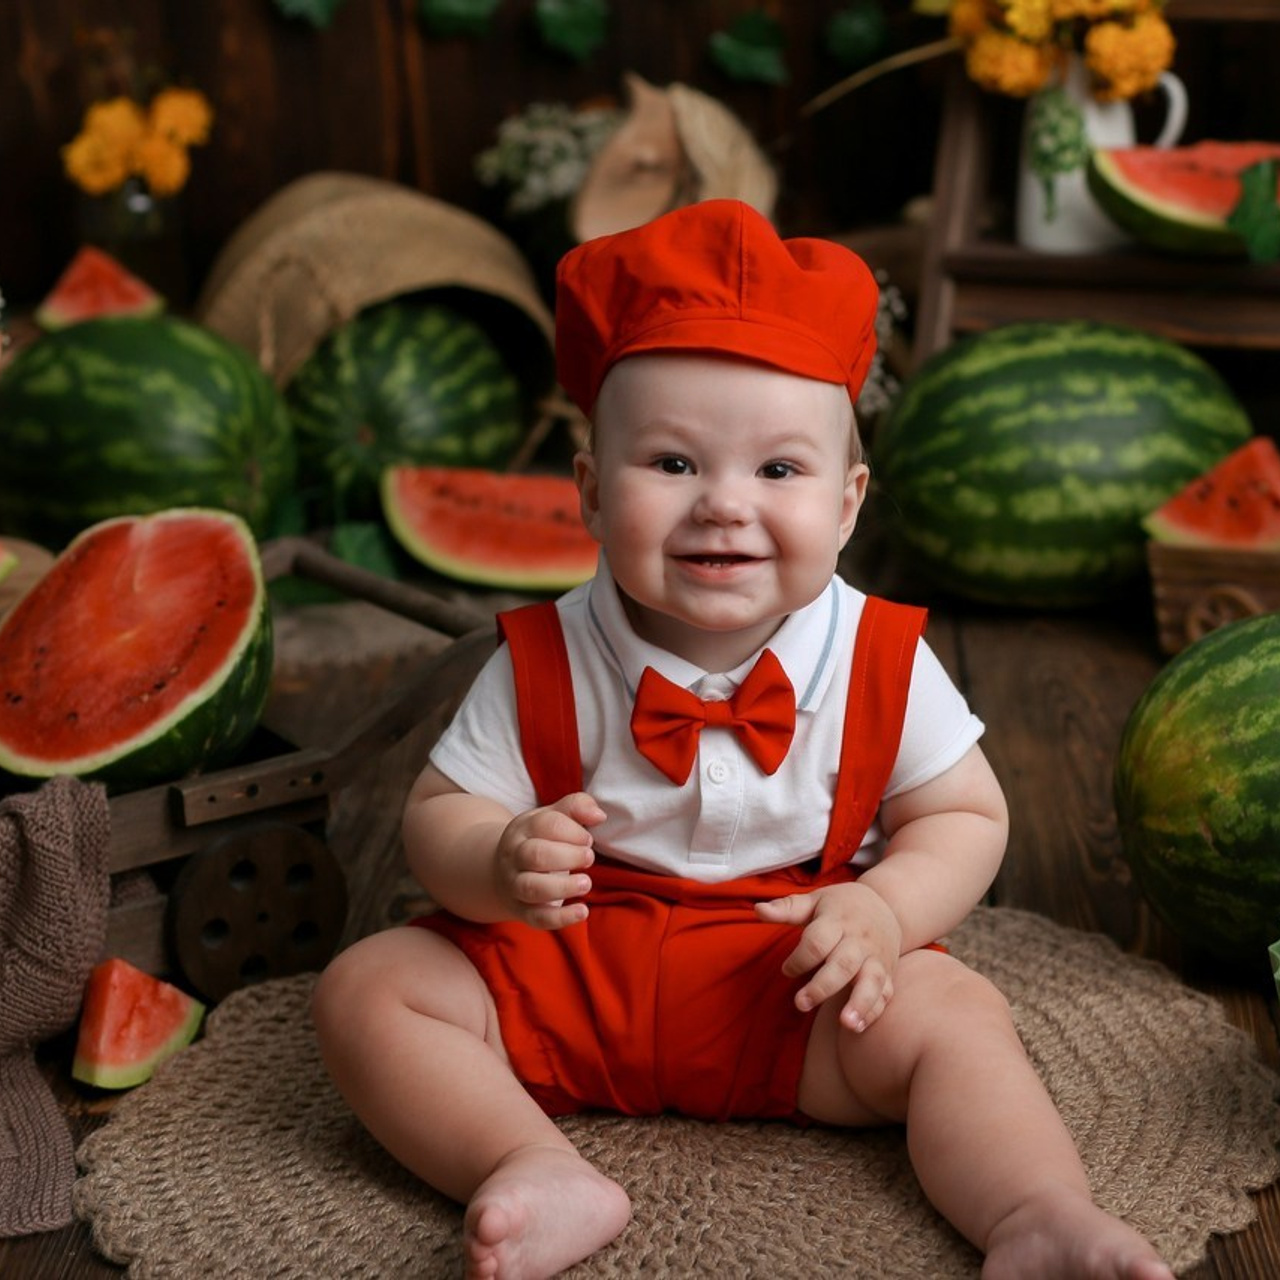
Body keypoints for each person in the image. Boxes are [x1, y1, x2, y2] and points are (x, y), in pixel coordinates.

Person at [313, 199, 1175, 1280]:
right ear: (587, 490)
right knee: (368, 988)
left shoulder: (879, 654)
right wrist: (495, 858)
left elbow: (962, 813)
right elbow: (440, 812)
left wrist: (883, 906)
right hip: (569, 969)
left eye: (777, 471)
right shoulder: (545, 651)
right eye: (671, 464)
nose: (724, 504)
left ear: (850, 500)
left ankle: (1033, 1210)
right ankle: (528, 1161)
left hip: (795, 976)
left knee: (955, 1011)